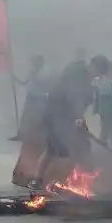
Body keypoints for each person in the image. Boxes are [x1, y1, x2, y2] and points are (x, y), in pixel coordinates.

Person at [28, 58, 100, 191]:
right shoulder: (77, 77)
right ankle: (42, 180)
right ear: (93, 67)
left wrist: (80, 118)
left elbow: (79, 101)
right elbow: (73, 98)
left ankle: (70, 180)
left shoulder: (82, 77)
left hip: (64, 116)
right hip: (57, 116)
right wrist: (78, 117)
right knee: (55, 148)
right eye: (97, 73)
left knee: (74, 146)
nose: (96, 76)